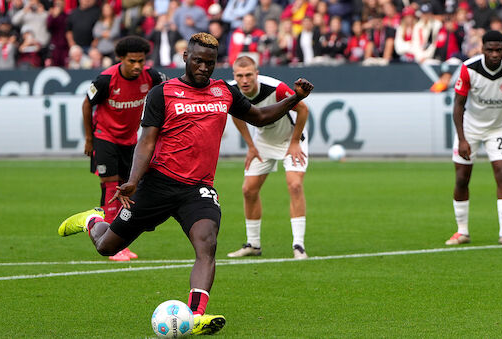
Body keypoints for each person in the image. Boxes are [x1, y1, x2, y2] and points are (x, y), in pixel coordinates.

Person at [57, 32, 313, 335]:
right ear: (185, 59)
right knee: (107, 246)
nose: (204, 68)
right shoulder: (162, 93)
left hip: (198, 189)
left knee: (207, 244)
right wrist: (134, 180)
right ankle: (92, 220)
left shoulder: (224, 92)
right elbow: (146, 142)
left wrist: (295, 98)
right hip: (158, 183)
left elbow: (258, 116)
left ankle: (194, 316)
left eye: (210, 62)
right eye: (198, 61)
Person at [74, 36, 167, 261]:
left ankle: (112, 235)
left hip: (131, 140)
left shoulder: (152, 76)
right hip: (104, 137)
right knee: (110, 186)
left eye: (141, 61)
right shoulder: (106, 80)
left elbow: (168, 93)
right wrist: (89, 139)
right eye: (132, 61)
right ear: (121, 59)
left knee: (128, 189)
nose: (137, 66)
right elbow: (87, 104)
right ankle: (110, 242)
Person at [446, 30, 502, 247]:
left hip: (498, 128)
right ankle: (462, 231)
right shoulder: (469, 69)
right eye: (490, 49)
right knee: (462, 178)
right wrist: (462, 139)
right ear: (482, 49)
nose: (494, 54)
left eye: (499, 50)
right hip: (470, 128)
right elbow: (457, 105)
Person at [227, 55, 310, 259]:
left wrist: (294, 142)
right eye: (240, 76)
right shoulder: (231, 90)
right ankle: (253, 244)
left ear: (257, 74)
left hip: (292, 140)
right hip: (263, 142)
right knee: (248, 190)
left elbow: (303, 109)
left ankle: (298, 245)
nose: (244, 80)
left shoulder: (277, 88)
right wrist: (251, 146)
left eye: (248, 75)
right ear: (234, 76)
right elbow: (235, 115)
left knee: (295, 185)